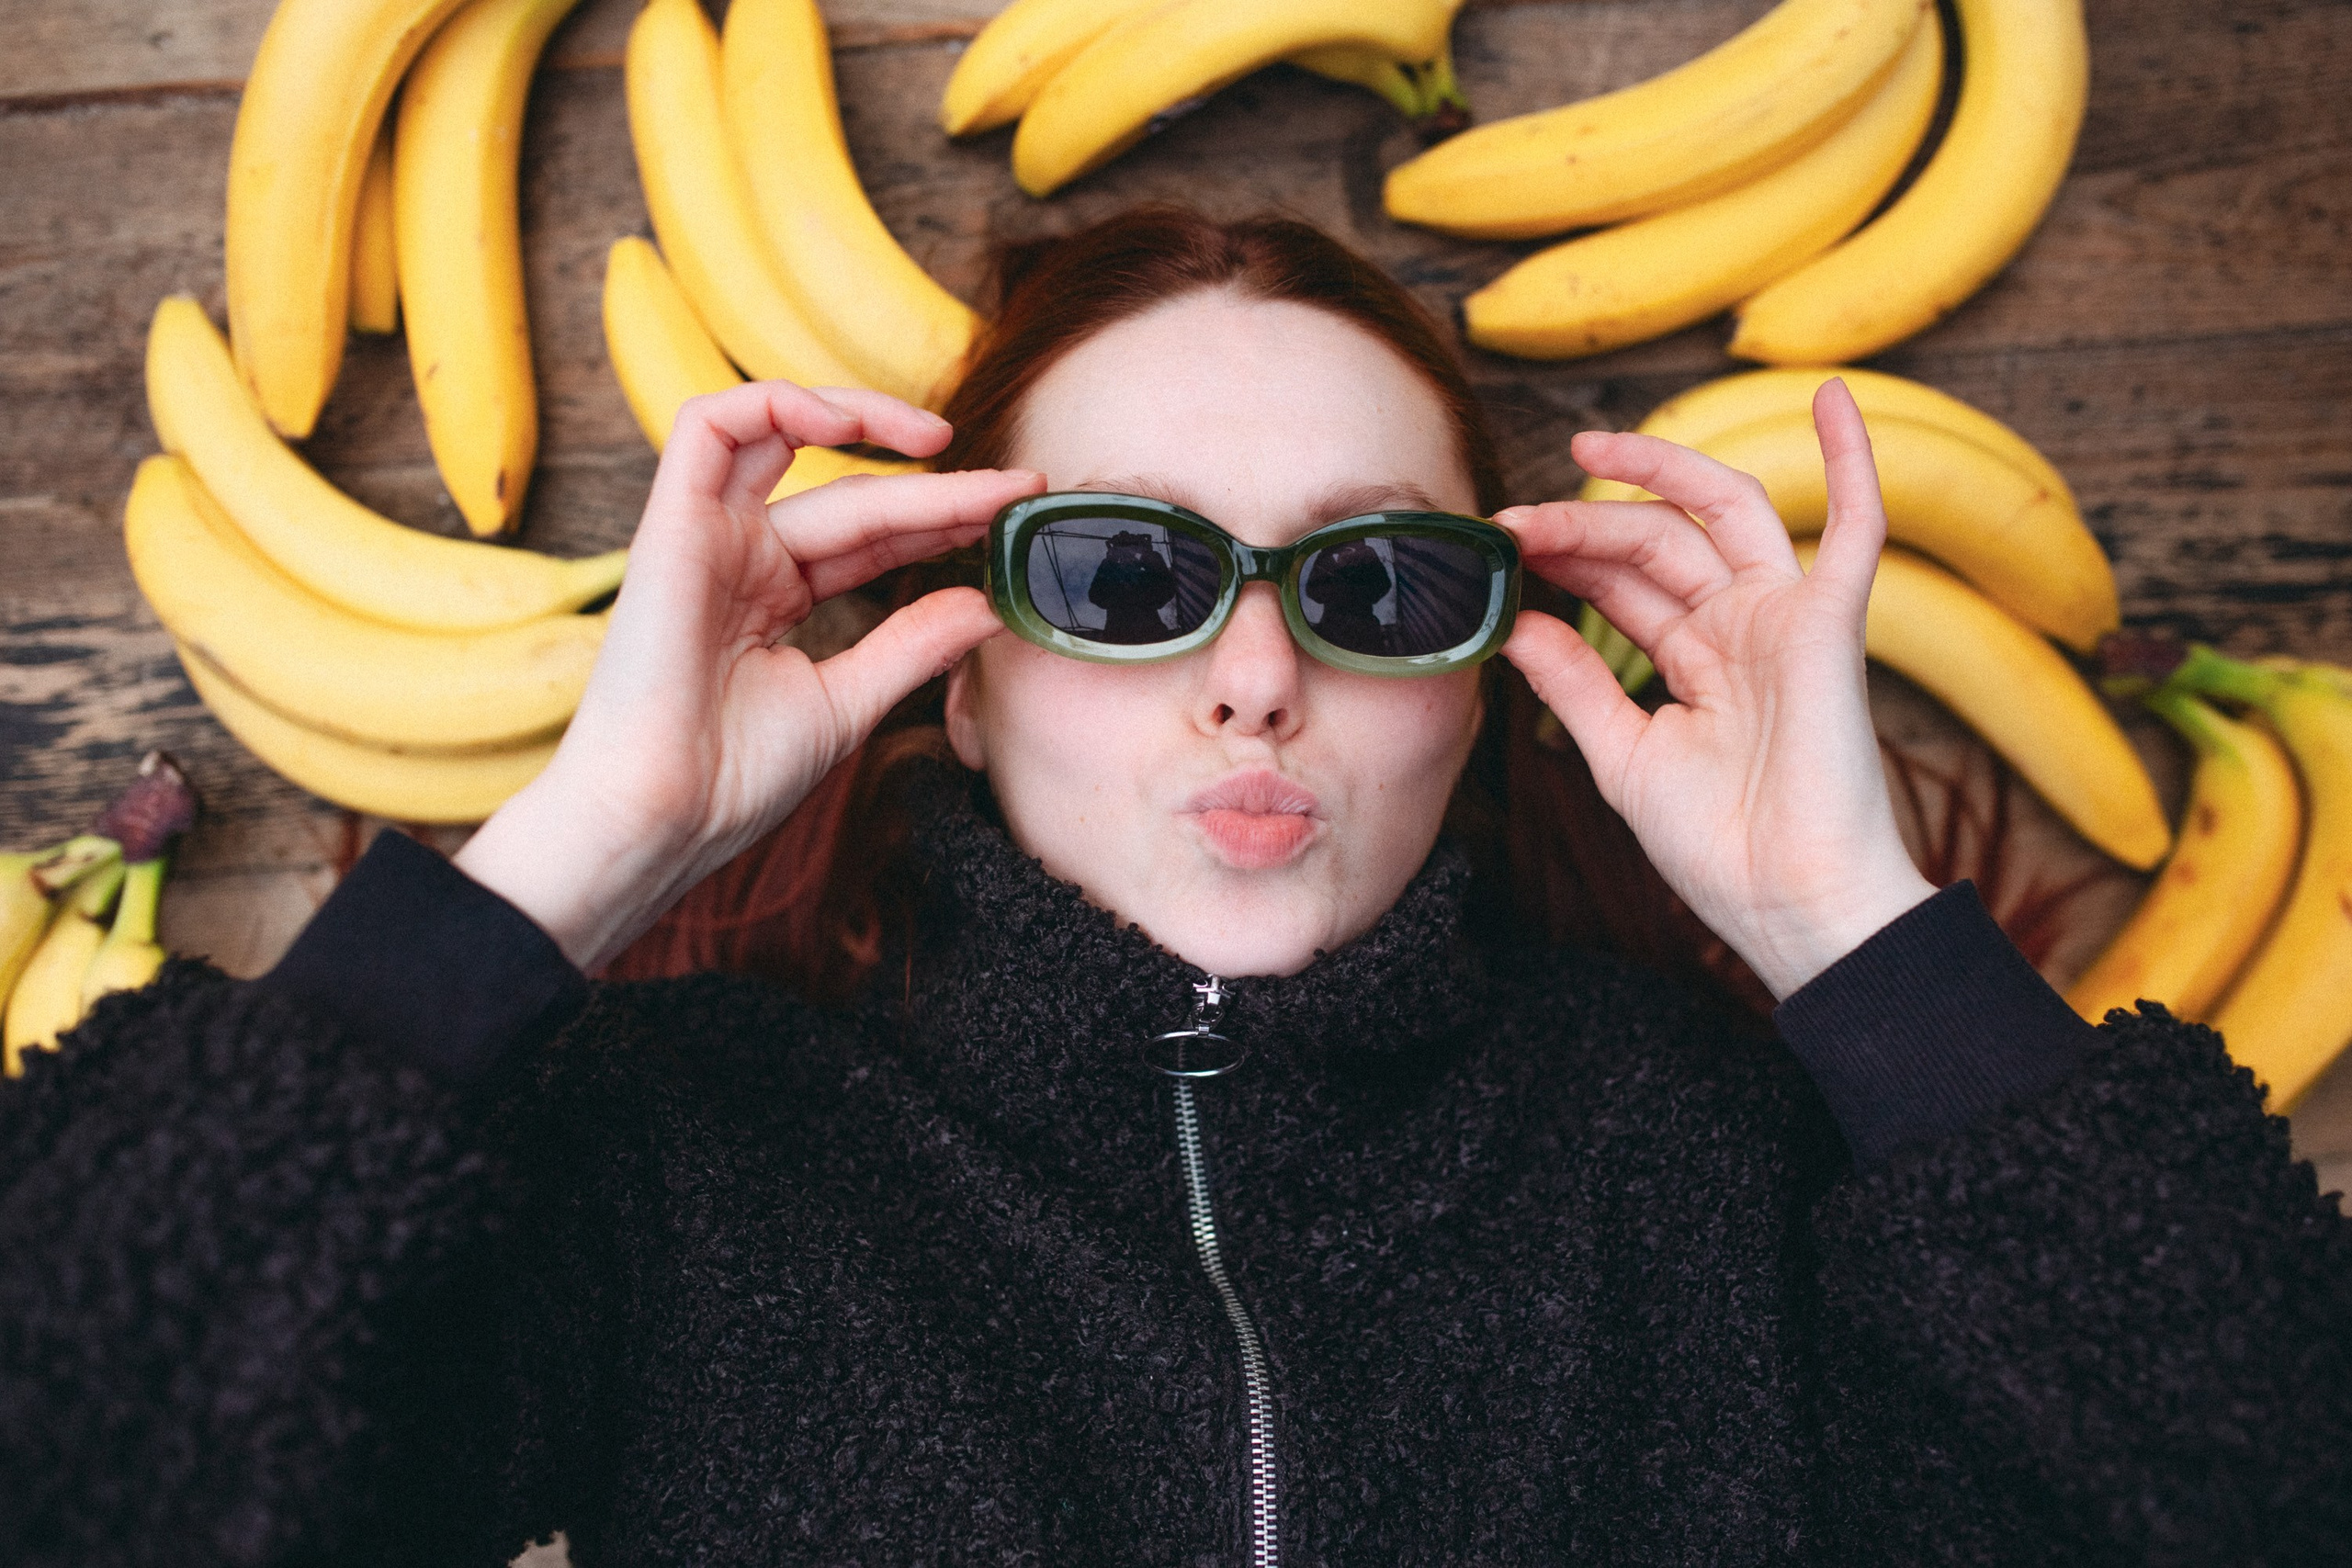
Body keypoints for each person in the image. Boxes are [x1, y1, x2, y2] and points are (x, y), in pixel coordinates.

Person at [4, 206, 2346, 1567]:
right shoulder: (668, 1147)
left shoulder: (1713, 1156)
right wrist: (570, 858)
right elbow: (76, 1447)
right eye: (1125, 572)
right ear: (957, 671)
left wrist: (1849, 925)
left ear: (1486, 668)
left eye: (1372, 580)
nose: (1251, 674)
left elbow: (2259, 1490)